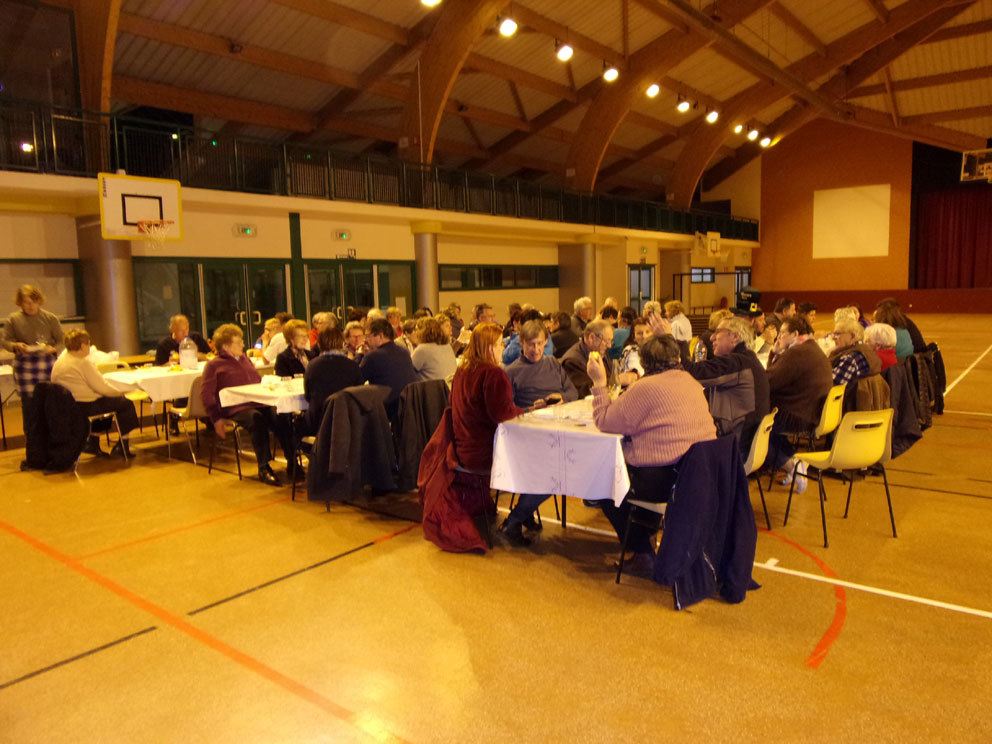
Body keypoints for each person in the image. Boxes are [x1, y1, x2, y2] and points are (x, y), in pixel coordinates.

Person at [588, 335, 716, 572]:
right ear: (677, 358)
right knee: (635, 472)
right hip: (698, 473)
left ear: (644, 364)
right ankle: (647, 534)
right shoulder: (690, 381)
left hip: (668, 478)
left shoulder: (645, 388)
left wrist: (599, 382)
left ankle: (642, 552)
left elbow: (604, 421)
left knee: (603, 484)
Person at [499, 320, 579, 545]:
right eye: (531, 344)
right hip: (527, 437)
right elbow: (506, 411)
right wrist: (530, 409)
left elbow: (573, 393)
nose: (536, 349)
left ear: (546, 343)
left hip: (557, 428)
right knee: (557, 471)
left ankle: (522, 514)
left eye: (540, 344)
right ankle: (515, 519)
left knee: (570, 464)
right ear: (521, 343)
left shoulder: (552, 363)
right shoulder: (511, 372)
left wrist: (561, 398)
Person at [202, 324, 295, 485]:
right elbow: (206, 394)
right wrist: (215, 418)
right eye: (238, 342)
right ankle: (264, 467)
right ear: (226, 346)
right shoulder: (213, 365)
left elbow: (257, 381)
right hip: (235, 406)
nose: (243, 344)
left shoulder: (245, 359)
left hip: (258, 402)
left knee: (280, 413)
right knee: (256, 419)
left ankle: (292, 460)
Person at [766, 317, 834, 494]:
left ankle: (791, 466)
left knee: (755, 427)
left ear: (795, 334)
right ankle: (793, 462)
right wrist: (776, 353)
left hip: (797, 414)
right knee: (763, 423)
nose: (779, 337)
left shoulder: (797, 353)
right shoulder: (812, 348)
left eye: (782, 333)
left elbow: (768, 381)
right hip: (810, 412)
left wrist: (774, 353)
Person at [682, 317, 770, 448]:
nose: (711, 337)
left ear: (735, 337)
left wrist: (668, 340)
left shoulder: (737, 362)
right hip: (744, 441)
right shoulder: (747, 359)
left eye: (718, 332)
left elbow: (692, 373)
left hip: (735, 447)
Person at [51, 329, 139, 458]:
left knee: (107, 403)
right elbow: (103, 388)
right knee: (125, 404)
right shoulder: (82, 362)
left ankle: (93, 442)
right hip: (84, 406)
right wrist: (122, 392)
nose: (90, 347)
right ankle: (122, 445)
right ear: (82, 346)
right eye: (89, 344)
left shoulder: (61, 360)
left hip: (67, 406)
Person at [450, 322, 523, 476]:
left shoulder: (461, 370)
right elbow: (504, 416)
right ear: (489, 347)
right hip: (487, 454)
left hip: (462, 451)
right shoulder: (494, 373)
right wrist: (526, 411)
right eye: (500, 344)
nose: (503, 347)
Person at [1, 284, 64, 432]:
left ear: (39, 301)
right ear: (20, 303)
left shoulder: (50, 318)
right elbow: (5, 341)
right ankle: (32, 441)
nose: (30, 306)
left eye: (33, 302)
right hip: (25, 365)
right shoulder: (13, 319)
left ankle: (52, 440)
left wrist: (54, 349)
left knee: (50, 403)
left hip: (47, 364)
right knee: (30, 407)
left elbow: (61, 341)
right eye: (26, 302)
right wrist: (16, 345)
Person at [303, 326, 364, 435]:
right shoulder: (352, 366)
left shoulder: (312, 366)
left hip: (319, 422)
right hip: (348, 422)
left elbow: (307, 396)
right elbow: (360, 394)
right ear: (342, 343)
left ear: (319, 344)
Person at [359, 318, 418, 421]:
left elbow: (356, 380)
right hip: (409, 408)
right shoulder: (404, 352)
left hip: (387, 411)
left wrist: (359, 355)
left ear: (380, 336)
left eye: (368, 336)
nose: (366, 340)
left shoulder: (373, 357)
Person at [561, 319, 616, 398]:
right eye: (606, 341)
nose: (609, 346)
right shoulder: (572, 361)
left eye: (611, 341)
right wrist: (616, 380)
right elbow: (583, 392)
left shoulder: (599, 352)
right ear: (592, 337)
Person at [829, 320, 882, 386]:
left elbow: (829, 385)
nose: (833, 338)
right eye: (833, 334)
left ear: (852, 336)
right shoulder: (864, 349)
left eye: (837, 334)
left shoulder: (851, 358)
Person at [411, 317, 457, 381]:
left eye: (416, 329)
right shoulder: (447, 346)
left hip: (434, 387)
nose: (415, 333)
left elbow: (407, 371)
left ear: (422, 331)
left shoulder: (422, 349)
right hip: (450, 385)